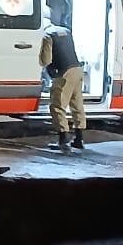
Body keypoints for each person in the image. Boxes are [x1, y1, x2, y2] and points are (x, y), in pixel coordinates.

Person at [40, 13, 85, 152]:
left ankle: (63, 139)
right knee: (77, 104)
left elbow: (45, 60)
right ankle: (79, 138)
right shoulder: (65, 31)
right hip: (77, 69)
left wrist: (44, 66)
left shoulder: (47, 35)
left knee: (57, 106)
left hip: (64, 73)